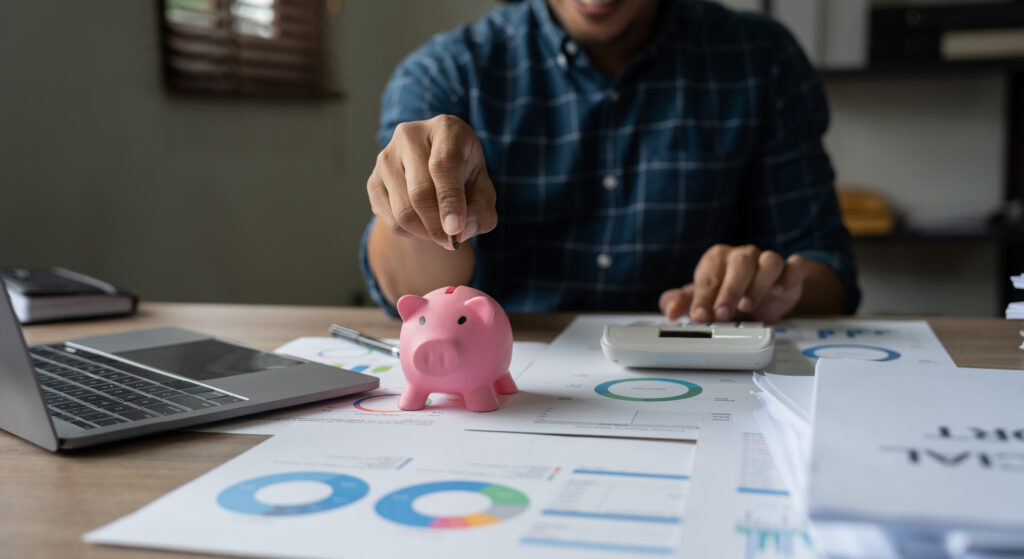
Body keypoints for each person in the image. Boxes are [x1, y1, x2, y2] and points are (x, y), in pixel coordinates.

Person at [360, 0, 859, 323]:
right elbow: (411, 293)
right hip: (506, 378)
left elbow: (827, 271)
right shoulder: (447, 71)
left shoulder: (761, 59)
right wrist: (428, 206)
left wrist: (772, 287)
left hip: (707, 369)